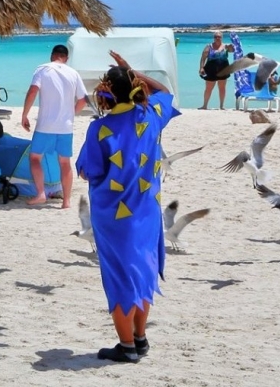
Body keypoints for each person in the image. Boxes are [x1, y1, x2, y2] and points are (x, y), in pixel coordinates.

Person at [76, 50, 179, 363]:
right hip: (147, 212)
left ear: (105, 93)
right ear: (135, 87)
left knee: (121, 277)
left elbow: (88, 171)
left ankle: (127, 346)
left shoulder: (100, 129)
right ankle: (140, 338)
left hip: (114, 218)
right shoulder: (151, 116)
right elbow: (166, 92)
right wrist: (131, 69)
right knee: (141, 272)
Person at [21, 43, 87, 208]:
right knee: (65, 162)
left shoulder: (43, 69)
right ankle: (66, 201)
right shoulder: (73, 73)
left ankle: (41, 193)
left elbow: (33, 91)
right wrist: (72, 113)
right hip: (66, 127)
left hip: (45, 125)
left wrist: (24, 114)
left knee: (35, 157)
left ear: (52, 55)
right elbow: (83, 99)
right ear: (66, 58)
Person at [198, 32, 231, 109]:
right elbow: (203, 58)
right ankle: (205, 105)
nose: (217, 38)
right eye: (216, 37)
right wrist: (201, 67)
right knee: (208, 88)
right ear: (213, 38)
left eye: (219, 37)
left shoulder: (225, 46)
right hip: (210, 69)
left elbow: (233, 50)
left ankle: (221, 106)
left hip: (223, 69)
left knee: (222, 87)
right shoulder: (209, 47)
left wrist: (231, 46)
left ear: (222, 37)